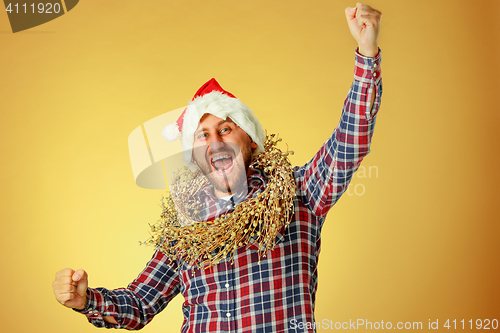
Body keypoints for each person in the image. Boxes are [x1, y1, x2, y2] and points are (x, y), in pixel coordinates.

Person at [52, 3, 382, 332]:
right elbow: (140, 304)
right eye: (203, 137)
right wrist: (87, 300)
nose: (215, 143)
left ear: (251, 141)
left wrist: (367, 56)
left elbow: (348, 143)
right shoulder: (186, 224)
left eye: (225, 129)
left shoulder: (298, 195)